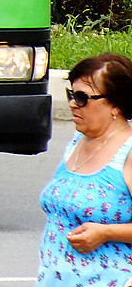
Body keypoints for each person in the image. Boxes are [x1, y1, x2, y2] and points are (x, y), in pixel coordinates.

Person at [38, 53, 132, 285]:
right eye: (70, 94)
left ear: (115, 105)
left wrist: (106, 233)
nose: (72, 103)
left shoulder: (128, 151)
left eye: (82, 97)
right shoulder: (76, 143)